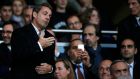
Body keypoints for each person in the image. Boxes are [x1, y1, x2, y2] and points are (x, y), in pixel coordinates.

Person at [11, 3, 55, 79]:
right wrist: (39, 45)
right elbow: (17, 56)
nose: (48, 17)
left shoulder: (50, 37)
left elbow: (52, 62)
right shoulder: (19, 33)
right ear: (35, 14)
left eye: (49, 16)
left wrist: (50, 68)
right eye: (45, 14)